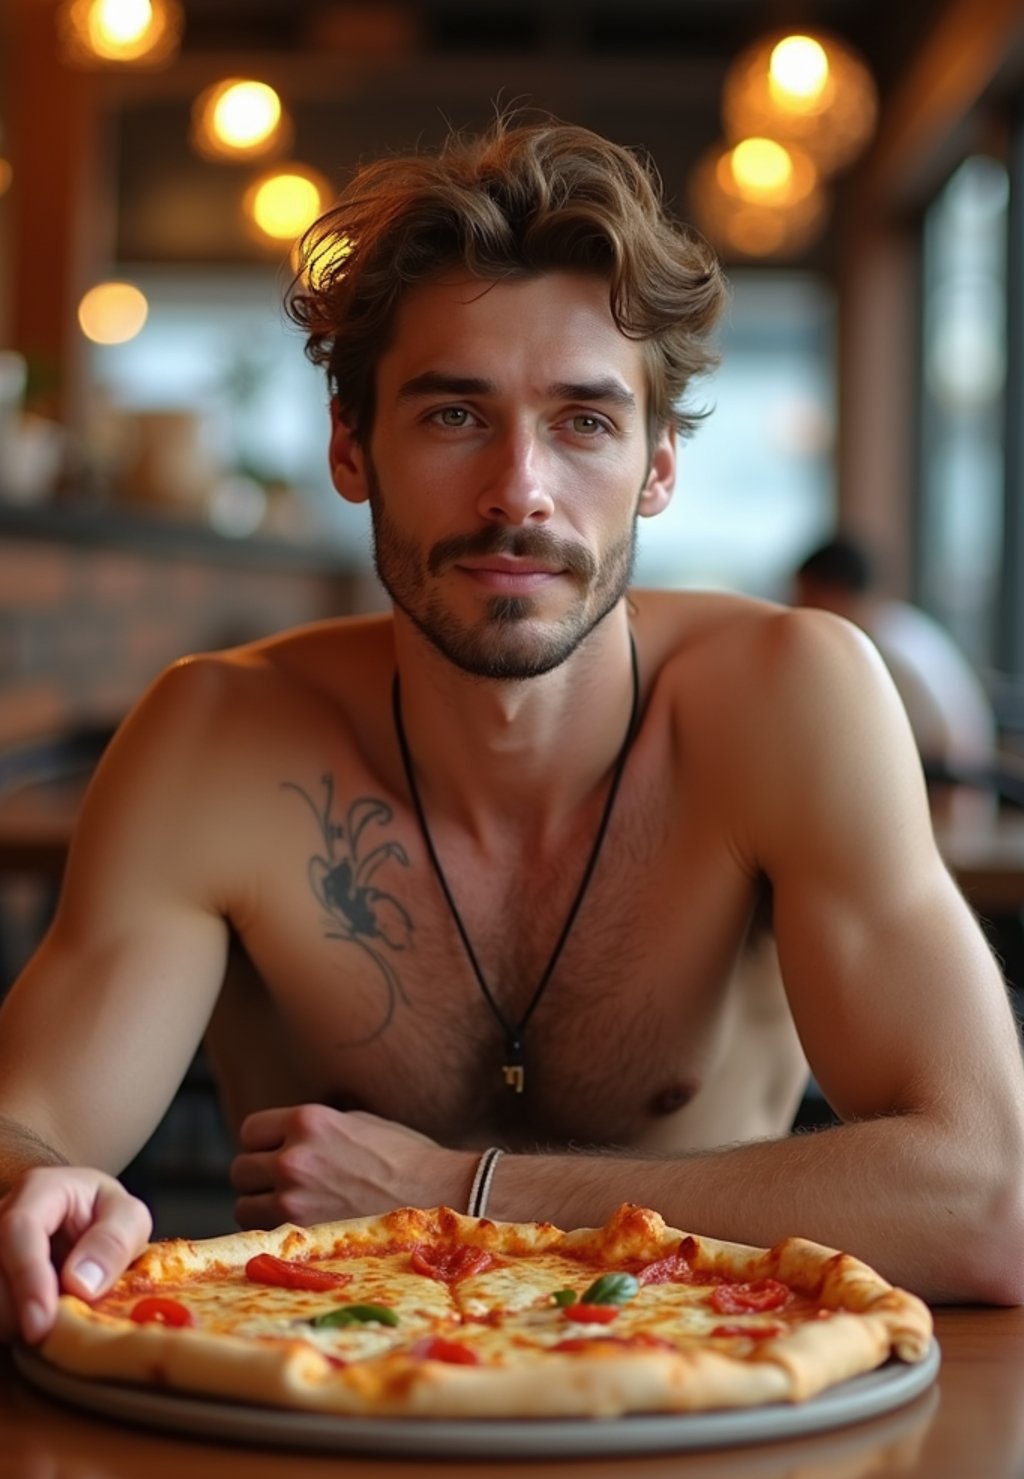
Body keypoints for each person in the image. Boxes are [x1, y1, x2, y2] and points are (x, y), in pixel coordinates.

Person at [2, 116, 1023, 1346]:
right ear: (350, 449)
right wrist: (31, 1190)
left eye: (584, 422)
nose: (518, 491)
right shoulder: (215, 737)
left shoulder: (790, 699)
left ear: (656, 469)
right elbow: (29, 1123)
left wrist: (458, 1192)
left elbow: (990, 1201)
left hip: (711, 1417)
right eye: (451, 416)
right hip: (317, 1432)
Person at [792, 535, 998, 809]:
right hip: (967, 789)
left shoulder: (871, 648)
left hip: (945, 799)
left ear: (832, 592)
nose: (795, 607)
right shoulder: (901, 625)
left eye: (803, 595)